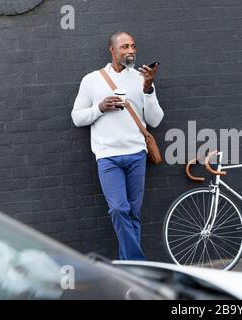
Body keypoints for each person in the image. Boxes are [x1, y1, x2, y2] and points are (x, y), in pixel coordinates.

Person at [71, 31, 164, 260]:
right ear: (113, 50)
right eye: (125, 47)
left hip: (136, 155)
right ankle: (137, 263)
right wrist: (100, 107)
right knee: (118, 209)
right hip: (108, 157)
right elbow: (77, 117)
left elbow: (155, 120)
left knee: (133, 213)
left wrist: (149, 89)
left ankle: (128, 266)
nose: (131, 50)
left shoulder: (142, 79)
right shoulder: (92, 80)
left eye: (133, 46)